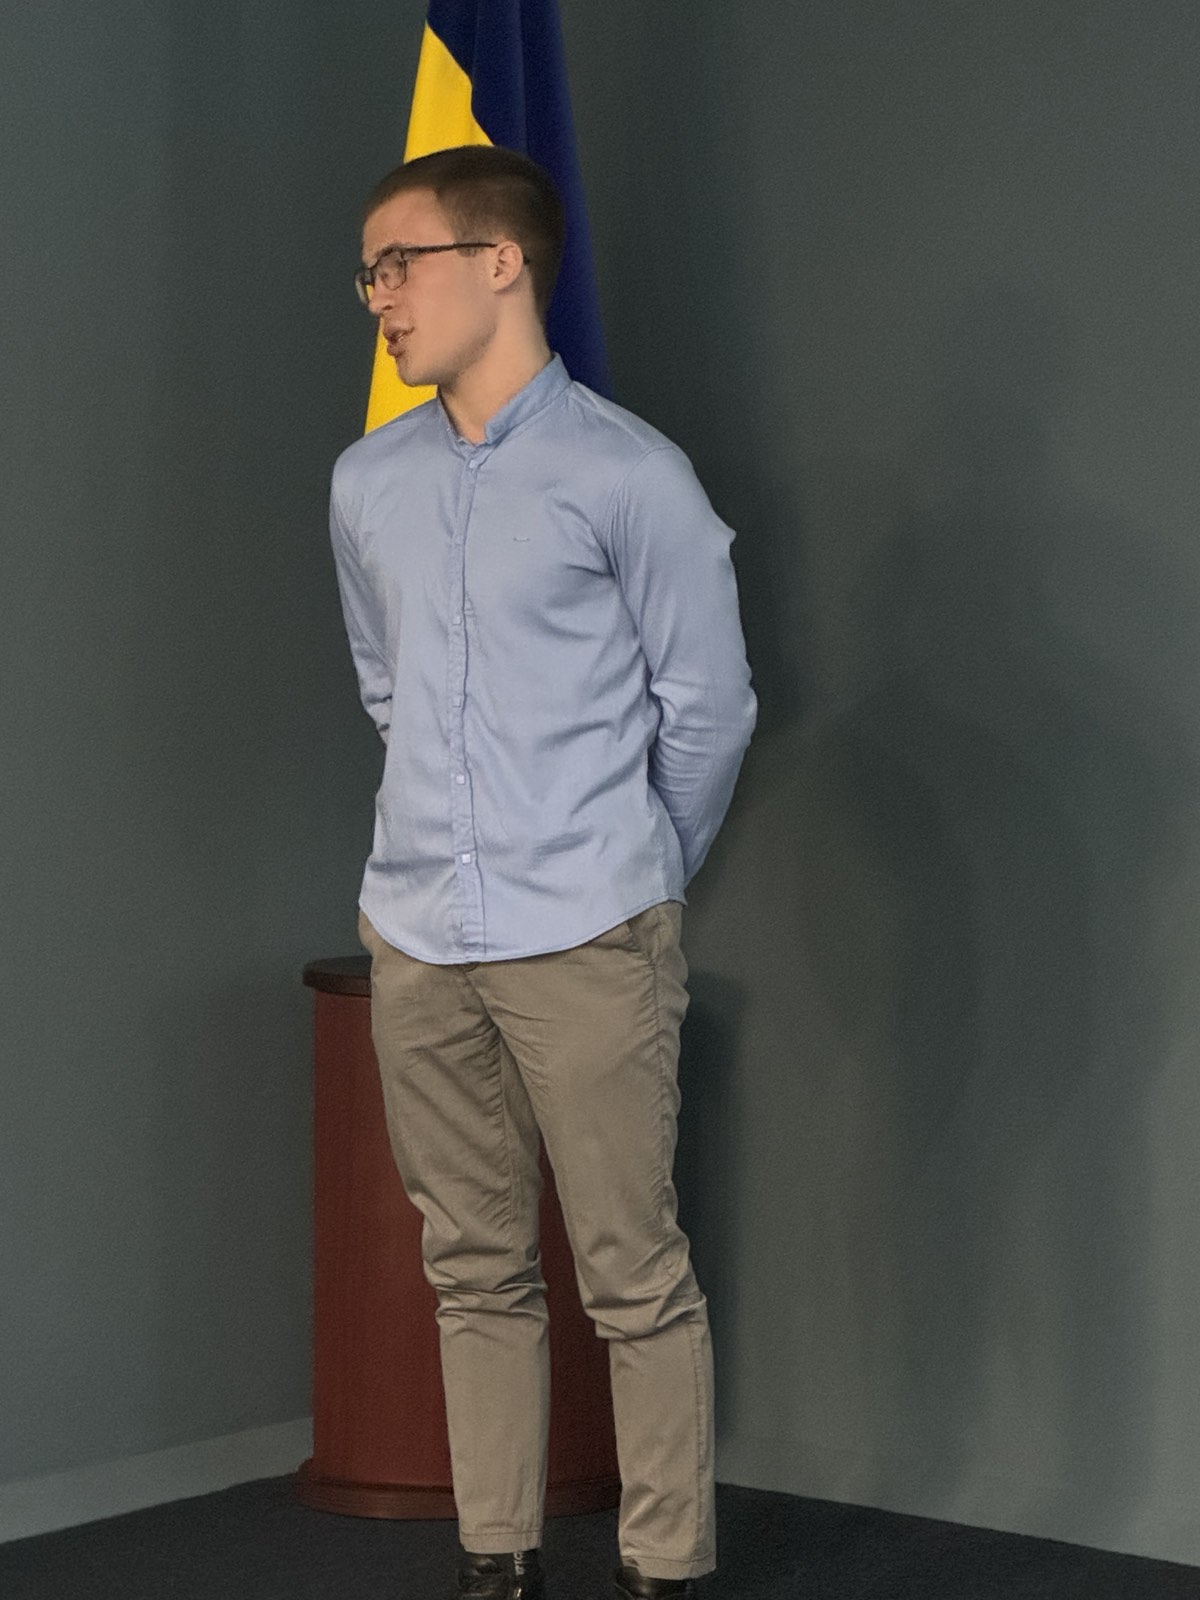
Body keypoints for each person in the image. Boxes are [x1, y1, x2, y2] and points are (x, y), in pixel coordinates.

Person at [329, 144, 756, 1600]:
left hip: (588, 932)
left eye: (401, 264)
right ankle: (494, 1561)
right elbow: (389, 691)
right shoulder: (367, 482)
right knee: (473, 1266)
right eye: (370, 274)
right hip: (418, 933)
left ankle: (665, 1567)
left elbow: (710, 709)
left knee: (632, 1271)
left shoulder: (631, 475)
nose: (380, 298)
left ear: (500, 263)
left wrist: (634, 871)